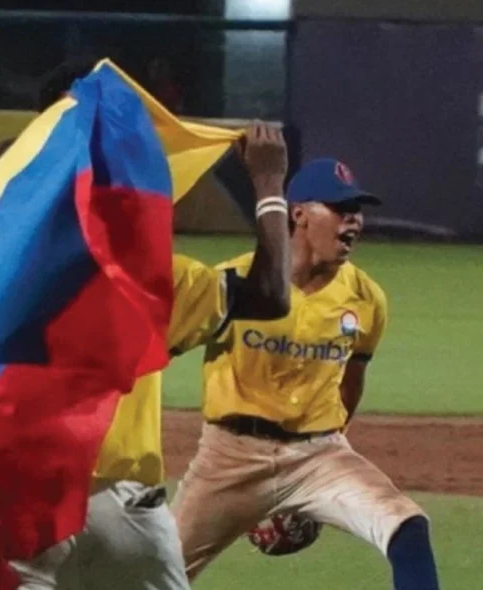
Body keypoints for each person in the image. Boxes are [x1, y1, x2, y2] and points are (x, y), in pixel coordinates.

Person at [0, 67, 292, 589]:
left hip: (28, 501)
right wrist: (269, 185)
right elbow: (272, 295)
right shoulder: (151, 275)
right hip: (126, 513)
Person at [169, 158, 440, 590]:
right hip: (228, 459)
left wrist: (334, 443)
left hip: (318, 456)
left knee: (406, 526)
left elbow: (352, 380)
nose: (353, 220)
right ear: (298, 214)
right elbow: (164, 348)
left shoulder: (366, 298)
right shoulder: (234, 281)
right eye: (340, 208)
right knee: (155, 576)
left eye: (357, 210)